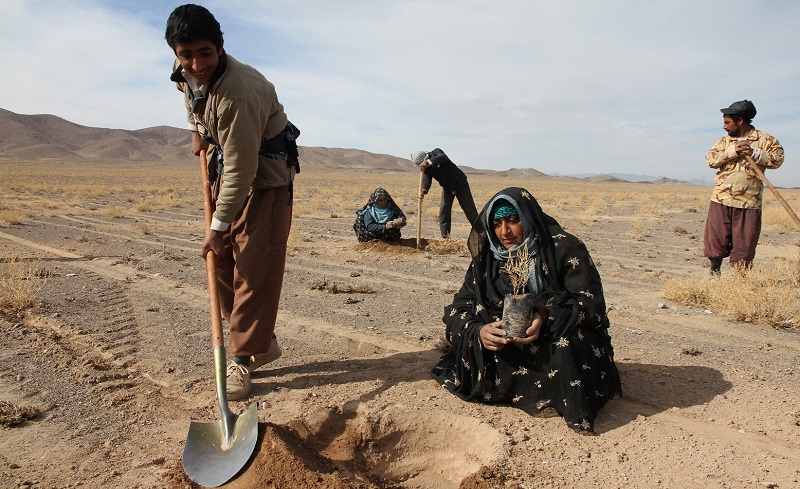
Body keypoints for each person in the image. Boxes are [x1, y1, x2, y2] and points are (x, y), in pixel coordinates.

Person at [165, 4, 300, 400]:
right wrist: (196, 131)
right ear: (176, 53)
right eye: (186, 54)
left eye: (204, 53)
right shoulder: (185, 73)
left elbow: (243, 168)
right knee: (220, 261)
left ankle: (242, 358)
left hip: (266, 182)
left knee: (254, 270)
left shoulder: (238, 93)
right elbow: (189, 96)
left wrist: (215, 227)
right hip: (228, 171)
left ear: (220, 47)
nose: (196, 63)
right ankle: (257, 336)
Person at [431, 187, 622, 433]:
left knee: (567, 344)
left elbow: (591, 306)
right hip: (508, 340)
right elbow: (460, 306)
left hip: (551, 335)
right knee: (478, 336)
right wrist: (480, 332)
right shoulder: (488, 256)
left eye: (513, 221)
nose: (505, 232)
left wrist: (544, 314)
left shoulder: (563, 248)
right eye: (497, 223)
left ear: (528, 217)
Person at [704, 100, 784, 275]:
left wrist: (755, 153)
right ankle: (714, 270)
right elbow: (711, 159)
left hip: (749, 201)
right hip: (721, 198)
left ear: (740, 120)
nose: (724, 127)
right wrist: (733, 151)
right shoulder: (724, 142)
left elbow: (778, 159)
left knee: (745, 243)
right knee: (717, 237)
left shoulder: (765, 140)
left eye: (727, 122)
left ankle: (740, 279)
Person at [411, 148, 479, 238]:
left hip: (460, 184)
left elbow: (443, 157)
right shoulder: (426, 169)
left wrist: (428, 162)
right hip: (447, 188)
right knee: (444, 212)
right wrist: (424, 190)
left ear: (425, 159)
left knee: (470, 210)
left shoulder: (436, 152)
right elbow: (427, 180)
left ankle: (481, 233)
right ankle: (446, 238)